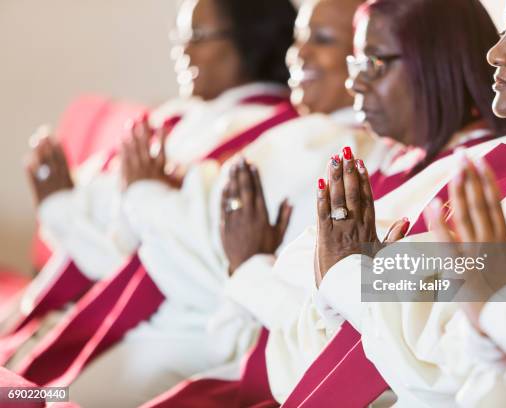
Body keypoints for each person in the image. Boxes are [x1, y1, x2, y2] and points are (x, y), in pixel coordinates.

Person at [210, 0, 506, 404]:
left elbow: (407, 334)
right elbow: (319, 279)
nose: (354, 84)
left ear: (436, 61)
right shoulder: (396, 158)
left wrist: (326, 277)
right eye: (357, 64)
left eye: (374, 63)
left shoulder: (478, 173)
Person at [302, 0, 506, 406]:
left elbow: (481, 353)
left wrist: (356, 278)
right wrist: (381, 276)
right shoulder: (498, 152)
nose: (494, 53)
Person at [2, 0, 296, 385]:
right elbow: (108, 231)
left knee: (40, 394)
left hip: (170, 330)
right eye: (181, 37)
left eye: (198, 36)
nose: (183, 50)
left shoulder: (273, 140)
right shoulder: (176, 117)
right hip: (96, 306)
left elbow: (169, 264)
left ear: (252, 40)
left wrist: (72, 209)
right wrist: (63, 205)